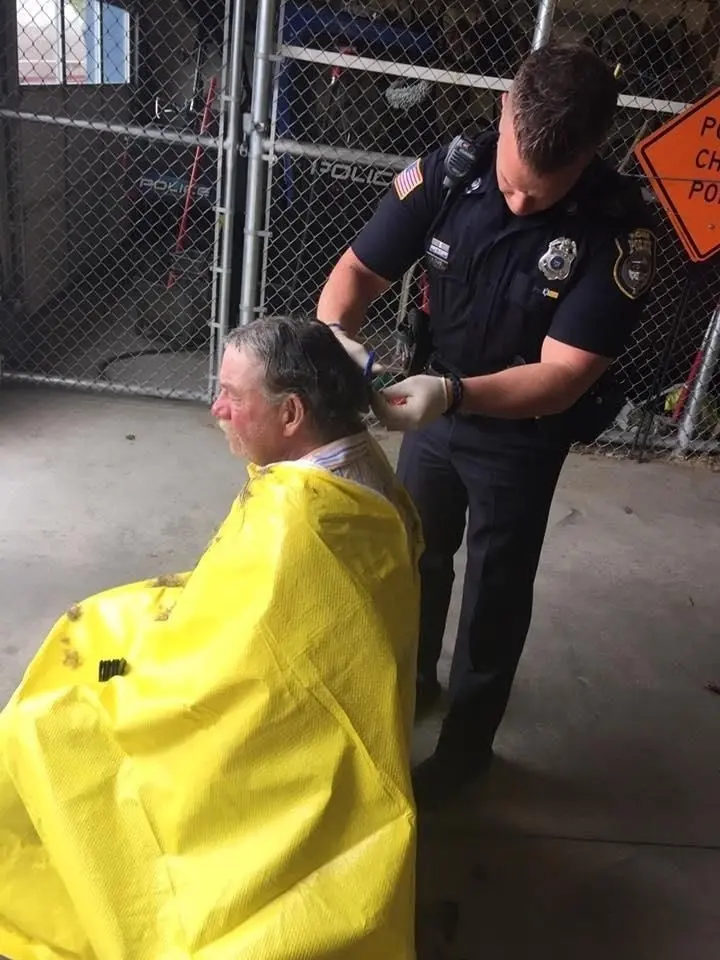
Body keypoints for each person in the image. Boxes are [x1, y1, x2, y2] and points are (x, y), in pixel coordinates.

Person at [0, 318, 423, 960]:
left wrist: (134, 675)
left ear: (291, 414)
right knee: (98, 630)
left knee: (47, 722)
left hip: (272, 722)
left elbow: (231, 675)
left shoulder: (304, 522)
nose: (216, 410)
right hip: (307, 676)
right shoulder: (354, 465)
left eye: (231, 395)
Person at [317, 42, 658, 811]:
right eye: (510, 182)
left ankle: (468, 747)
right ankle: (412, 684)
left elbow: (564, 375)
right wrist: (338, 336)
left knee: (495, 593)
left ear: (590, 152)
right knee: (416, 557)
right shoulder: (453, 170)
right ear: (504, 110)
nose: (520, 204)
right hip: (432, 405)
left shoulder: (619, 231)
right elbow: (357, 272)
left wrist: (454, 394)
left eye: (541, 193)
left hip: (521, 432)